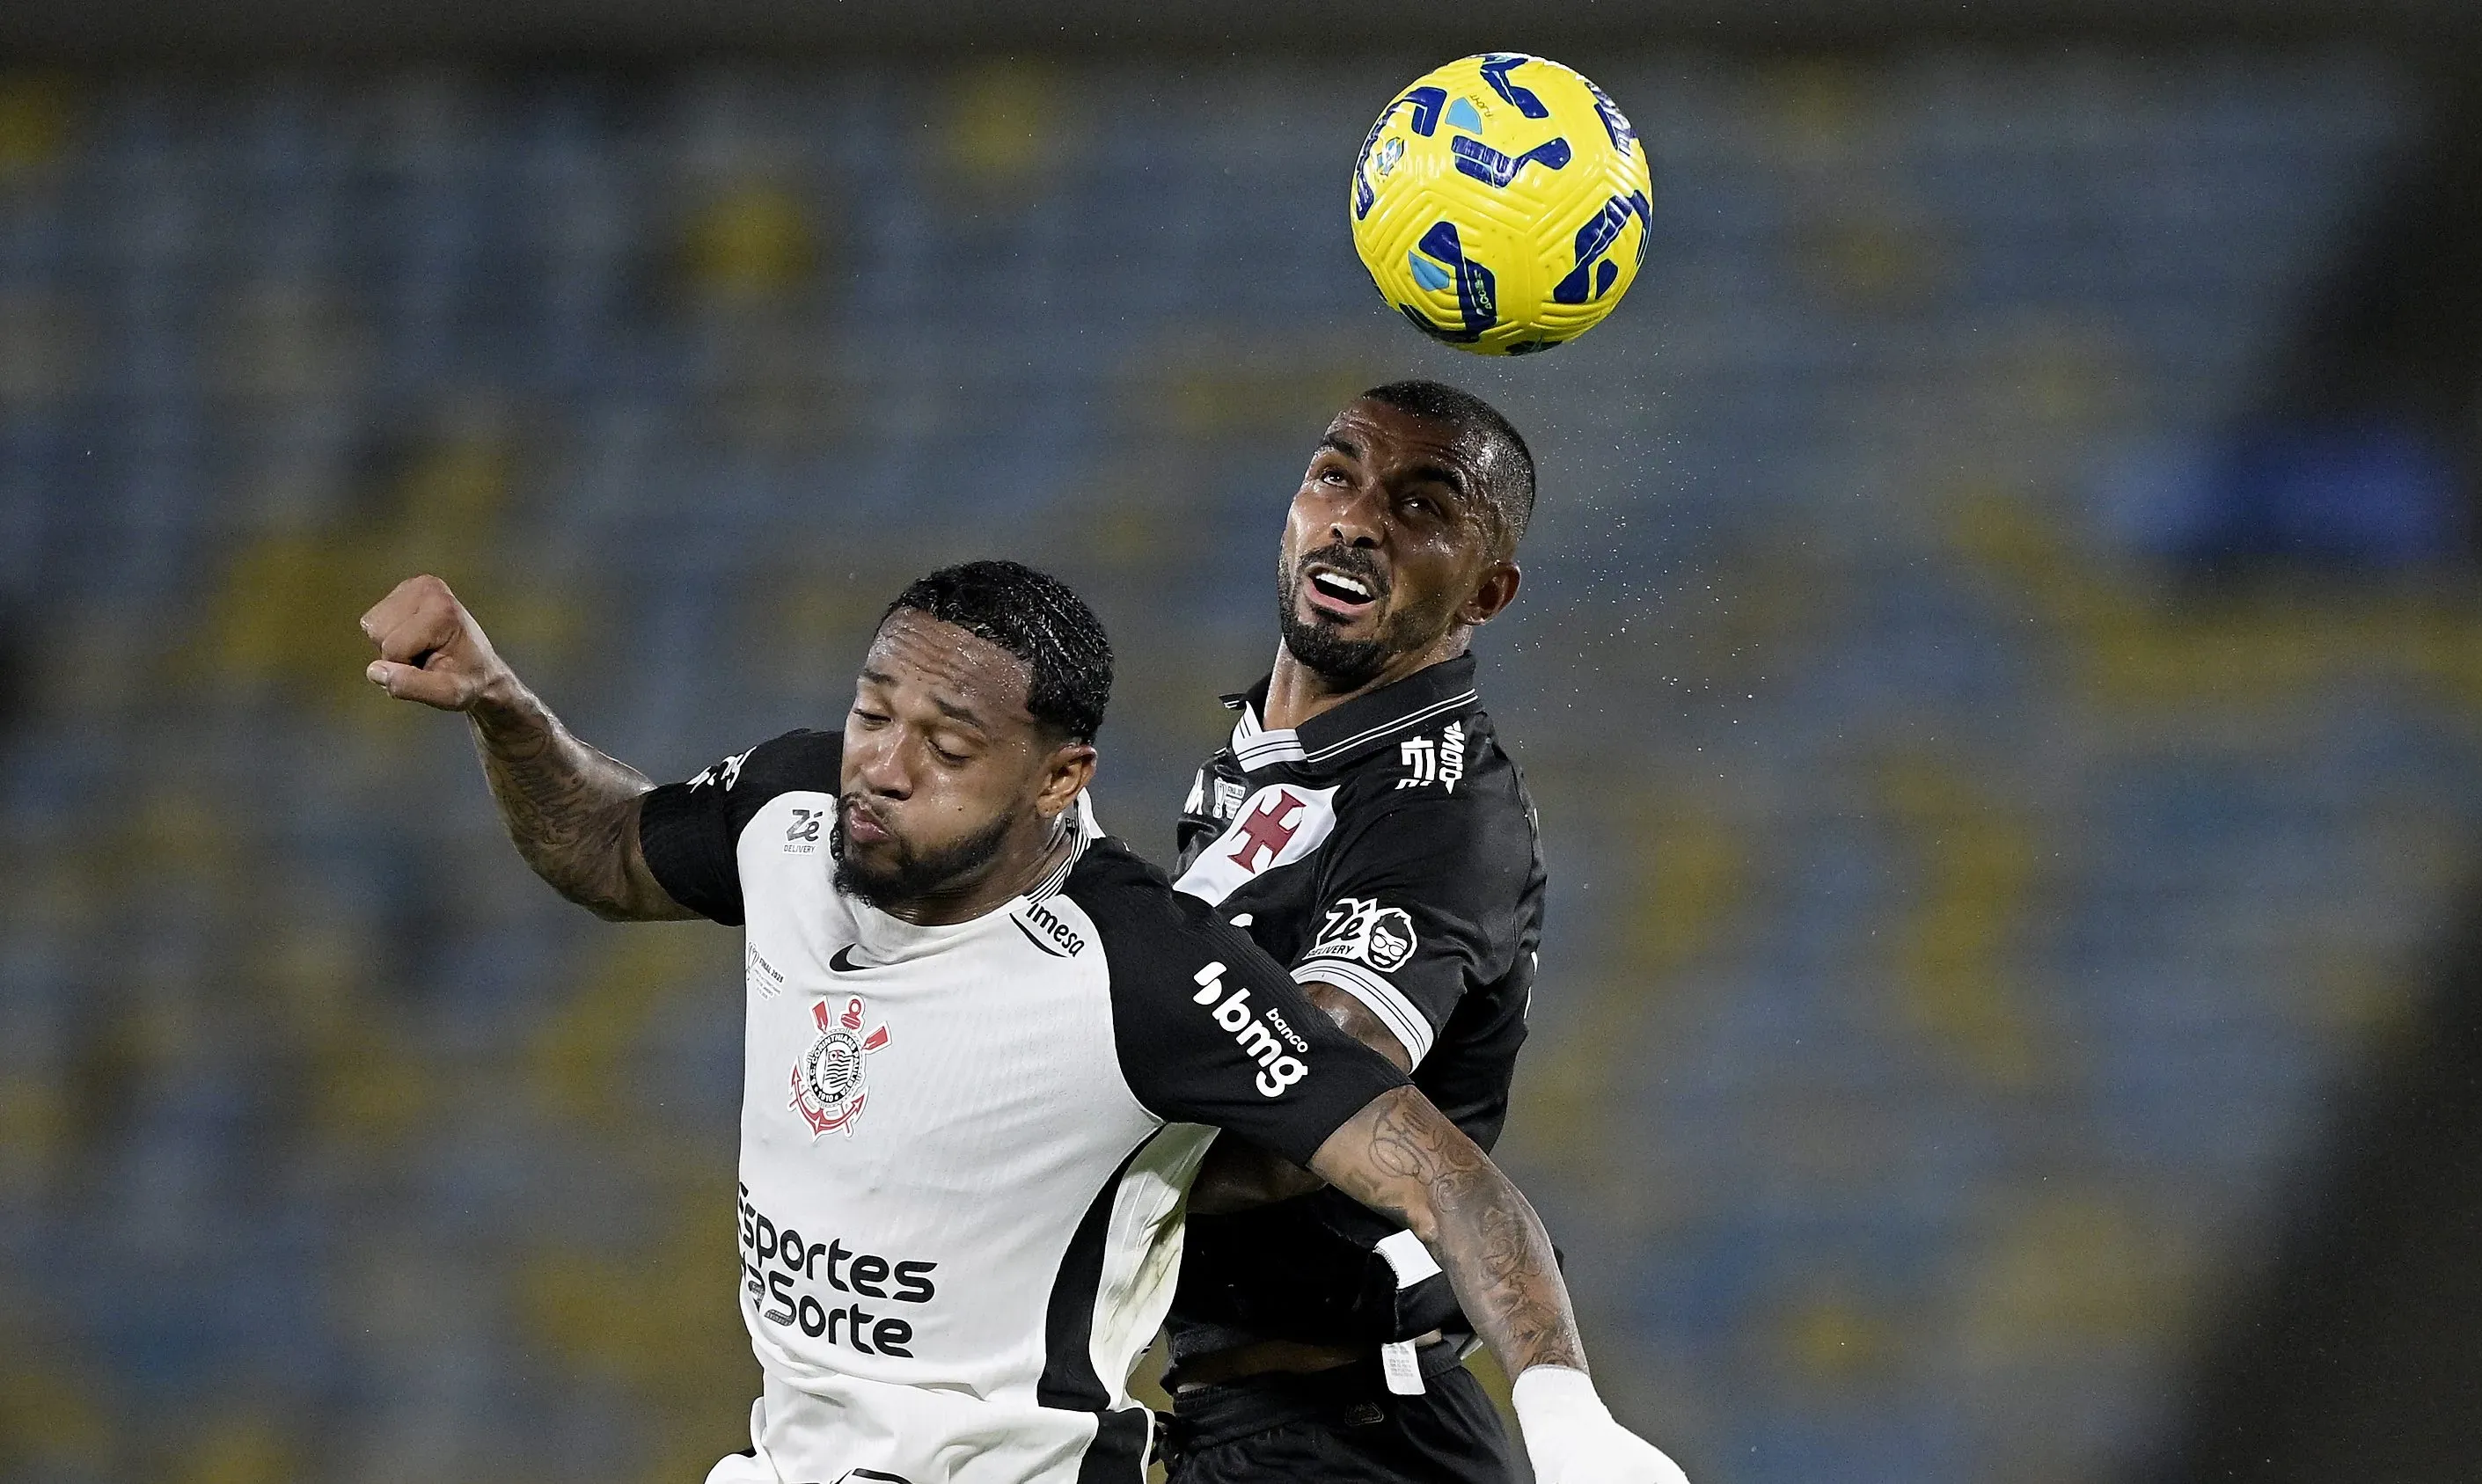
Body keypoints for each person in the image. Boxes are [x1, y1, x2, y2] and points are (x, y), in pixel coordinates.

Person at [357, 560, 1682, 1484]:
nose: (884, 765)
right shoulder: (794, 807)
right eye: (874, 711)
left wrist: (1568, 1414)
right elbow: (607, 848)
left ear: (1061, 777)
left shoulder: (1140, 968)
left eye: (947, 747)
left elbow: (1440, 1171)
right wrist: (503, 707)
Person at [1159, 381, 1554, 1484]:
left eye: (1423, 505)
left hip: (1354, 1437)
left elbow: (1307, 1105)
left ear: (1486, 591)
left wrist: (1019, 1167)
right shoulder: (1260, 759)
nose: (1358, 519)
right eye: (1335, 475)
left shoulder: (1440, 808)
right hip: (1248, 1422)